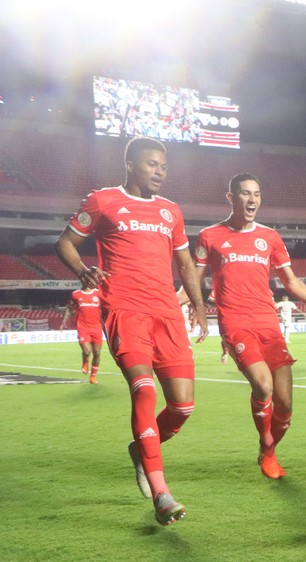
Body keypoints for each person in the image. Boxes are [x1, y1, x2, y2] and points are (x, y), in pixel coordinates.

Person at [55, 136, 207, 526]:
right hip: (124, 310)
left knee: (183, 407)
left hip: (168, 314)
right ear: (131, 165)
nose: (160, 172)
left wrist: (201, 309)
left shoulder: (171, 211)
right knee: (143, 388)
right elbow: (66, 243)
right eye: (152, 164)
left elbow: (187, 264)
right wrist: (82, 270)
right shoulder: (103, 200)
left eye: (163, 166)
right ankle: (161, 493)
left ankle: (141, 449)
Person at [194, 173, 306, 479]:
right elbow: (192, 282)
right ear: (231, 198)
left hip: (268, 323)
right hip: (235, 322)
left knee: (286, 406)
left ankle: (268, 449)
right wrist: (170, 304)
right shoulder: (210, 236)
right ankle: (266, 443)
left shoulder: (270, 237)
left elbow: (291, 282)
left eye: (257, 194)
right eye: (245, 194)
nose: (252, 200)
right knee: (263, 385)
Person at [60, 286, 103, 383]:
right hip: (83, 327)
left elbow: (106, 307)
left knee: (97, 353)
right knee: (87, 351)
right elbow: (69, 308)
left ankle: (93, 376)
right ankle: (85, 361)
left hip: (97, 327)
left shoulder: (99, 293)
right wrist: (64, 322)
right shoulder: (76, 294)